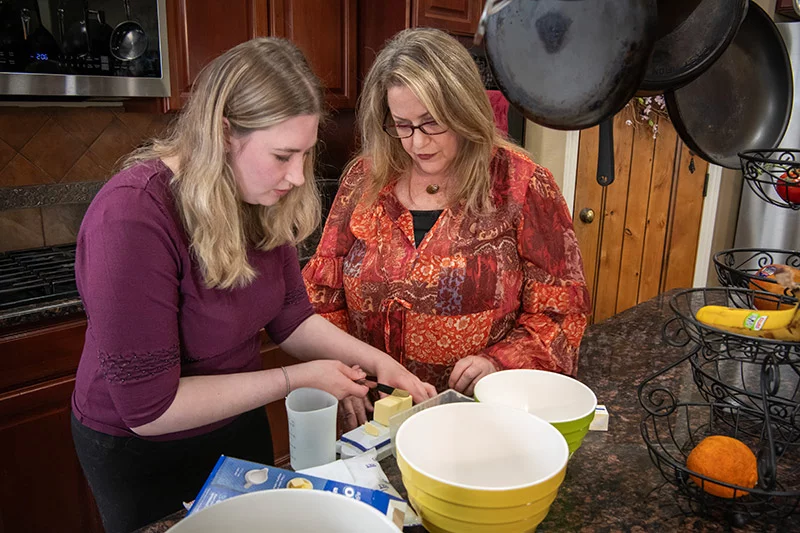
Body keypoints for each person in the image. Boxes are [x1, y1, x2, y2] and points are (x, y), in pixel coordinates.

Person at [70, 37, 435, 533]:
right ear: (223, 133)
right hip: (144, 452)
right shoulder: (132, 217)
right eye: (283, 155)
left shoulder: (259, 197)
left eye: (305, 154)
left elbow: (292, 318)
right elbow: (149, 409)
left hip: (237, 422)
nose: (297, 176)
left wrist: (380, 362)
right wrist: (296, 379)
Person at [303, 28, 591, 428]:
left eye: (431, 122)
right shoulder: (364, 181)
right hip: (369, 417)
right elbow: (321, 296)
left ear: (464, 109)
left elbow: (562, 312)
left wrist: (499, 362)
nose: (417, 143)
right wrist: (340, 374)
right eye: (401, 125)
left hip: (477, 420)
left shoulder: (521, 186)